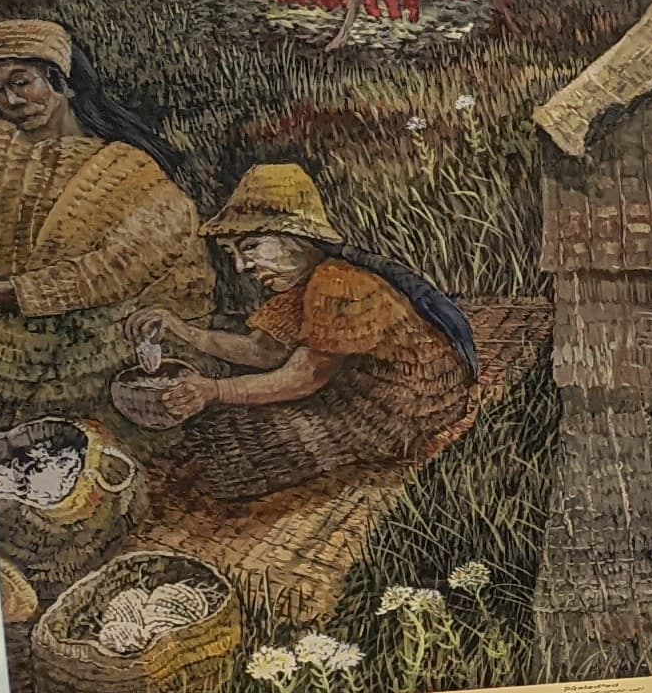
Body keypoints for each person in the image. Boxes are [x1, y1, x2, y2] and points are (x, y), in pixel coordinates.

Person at [117, 164, 478, 503]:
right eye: (233, 254)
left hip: (400, 407)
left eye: (250, 248)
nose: (242, 267)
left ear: (294, 237)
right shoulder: (304, 284)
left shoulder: (337, 282)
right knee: (222, 434)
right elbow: (264, 352)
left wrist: (214, 391)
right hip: (359, 389)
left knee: (238, 451)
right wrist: (182, 330)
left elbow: (303, 376)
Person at [0, 16, 209, 416]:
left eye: (22, 82)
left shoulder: (128, 170)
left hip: (101, 357)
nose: (12, 101)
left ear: (63, 82)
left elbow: (104, 273)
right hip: (8, 348)